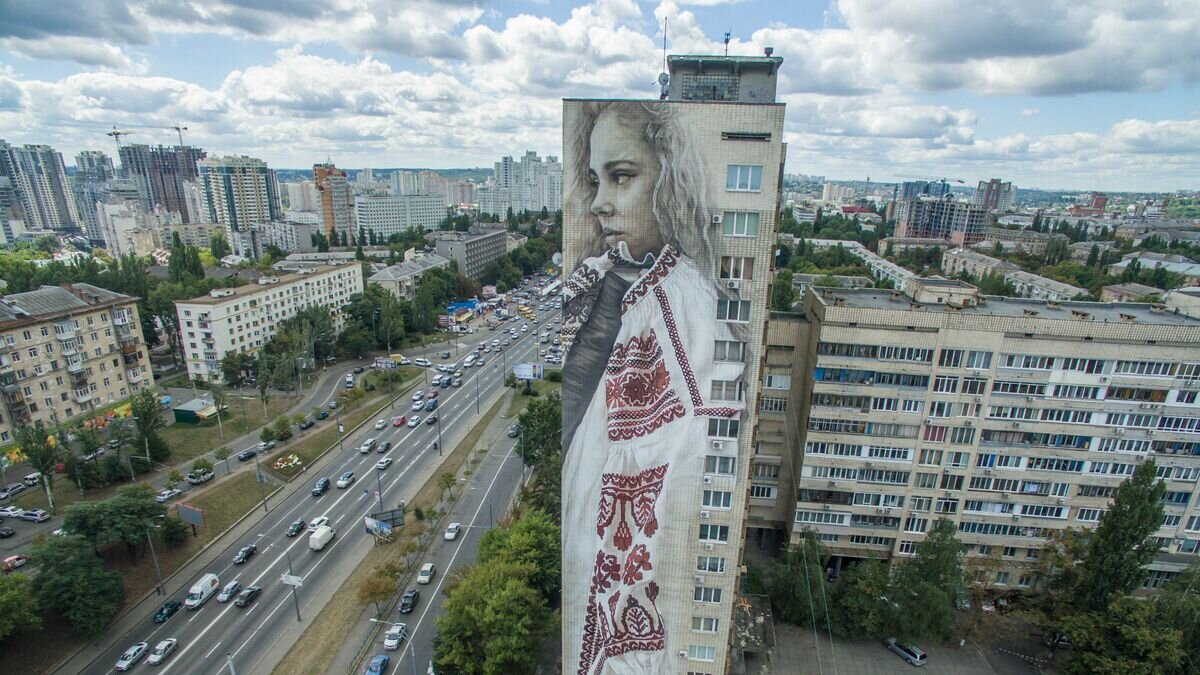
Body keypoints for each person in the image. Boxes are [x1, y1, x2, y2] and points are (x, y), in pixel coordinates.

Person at [561, 100, 746, 674]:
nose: (600, 202)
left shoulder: (688, 304)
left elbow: (697, 467)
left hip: (639, 596)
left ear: (668, 179)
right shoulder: (614, 278)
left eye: (622, 177)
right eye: (595, 181)